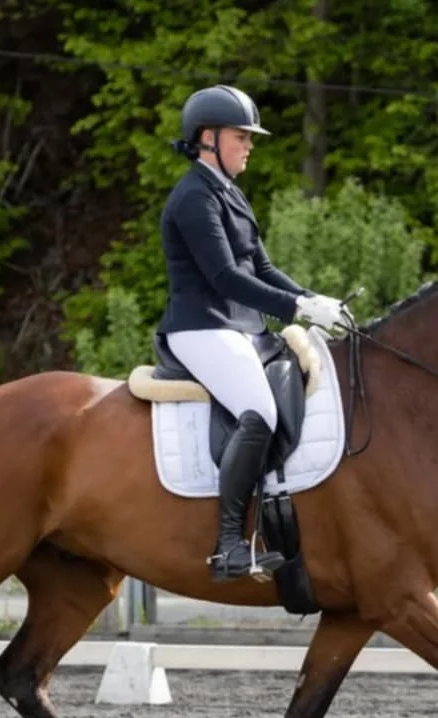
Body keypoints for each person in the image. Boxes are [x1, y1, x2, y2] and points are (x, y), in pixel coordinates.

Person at [157, 84, 349, 583]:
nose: (249, 146)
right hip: (203, 326)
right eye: (241, 137)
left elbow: (260, 266)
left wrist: (312, 301)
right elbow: (224, 277)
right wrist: (295, 307)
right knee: (258, 410)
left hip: (243, 327)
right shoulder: (193, 198)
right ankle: (227, 545)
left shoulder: (230, 193)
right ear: (208, 138)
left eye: (249, 137)